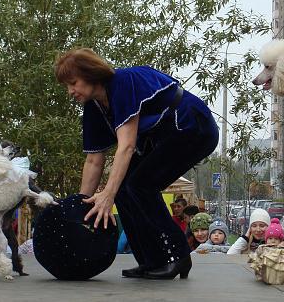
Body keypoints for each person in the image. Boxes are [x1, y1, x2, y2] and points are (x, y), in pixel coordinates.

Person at [55, 48, 219, 280]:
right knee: (124, 189)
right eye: (67, 86)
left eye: (73, 83)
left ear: (91, 74)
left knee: (140, 185)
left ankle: (178, 256)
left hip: (192, 126)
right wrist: (80, 212)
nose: (70, 91)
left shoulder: (122, 82)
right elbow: (94, 160)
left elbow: (127, 146)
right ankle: (151, 261)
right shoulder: (93, 108)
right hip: (164, 137)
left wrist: (107, 194)